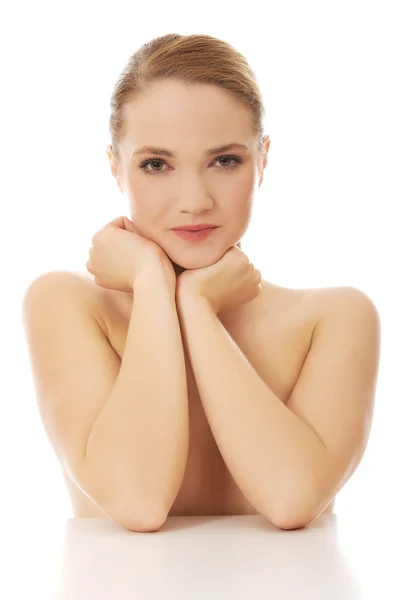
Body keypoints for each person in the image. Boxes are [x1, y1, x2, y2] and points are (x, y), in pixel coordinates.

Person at [22, 33, 379, 532]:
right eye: (156, 164)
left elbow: (292, 498)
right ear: (115, 168)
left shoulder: (335, 318)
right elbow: (137, 501)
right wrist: (152, 283)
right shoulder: (65, 304)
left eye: (225, 161)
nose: (193, 199)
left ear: (263, 160)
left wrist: (195, 304)